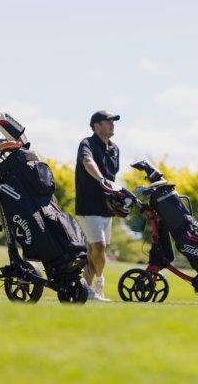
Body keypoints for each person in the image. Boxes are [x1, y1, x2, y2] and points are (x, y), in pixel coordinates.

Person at [75, 110, 121, 302]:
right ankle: (99, 282)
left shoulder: (115, 149)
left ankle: (85, 290)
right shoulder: (87, 143)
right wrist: (101, 179)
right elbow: (88, 162)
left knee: (94, 252)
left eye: (113, 122)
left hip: (107, 208)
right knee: (99, 246)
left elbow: (114, 176)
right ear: (96, 126)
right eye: (108, 122)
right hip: (88, 206)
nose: (112, 124)